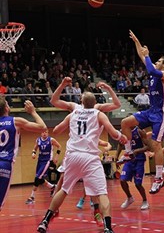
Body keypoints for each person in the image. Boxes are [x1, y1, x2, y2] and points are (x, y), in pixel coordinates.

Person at [37, 91, 127, 233]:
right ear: (95, 103)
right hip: (89, 157)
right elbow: (114, 134)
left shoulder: (73, 114)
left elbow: (57, 129)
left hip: (73, 155)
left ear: (81, 102)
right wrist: (122, 137)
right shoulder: (99, 114)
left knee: (64, 190)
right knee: (102, 192)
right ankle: (108, 227)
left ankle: (45, 220)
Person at [49, 77, 121, 225]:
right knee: (65, 180)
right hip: (80, 151)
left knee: (85, 187)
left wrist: (62, 84)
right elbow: (54, 101)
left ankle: (95, 211)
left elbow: (54, 101)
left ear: (83, 100)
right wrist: (108, 88)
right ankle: (57, 208)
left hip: (81, 152)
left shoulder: (89, 109)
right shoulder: (80, 108)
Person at [121, 30, 164, 194]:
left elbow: (149, 67)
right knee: (125, 123)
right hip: (151, 110)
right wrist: (136, 42)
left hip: (161, 113)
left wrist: (148, 55)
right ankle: (129, 152)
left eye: (159, 61)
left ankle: (158, 178)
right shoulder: (153, 71)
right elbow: (142, 57)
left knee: (157, 145)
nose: (155, 62)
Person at [0, 97, 47, 211]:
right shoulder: (15, 121)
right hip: (5, 164)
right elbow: (42, 128)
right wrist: (33, 112)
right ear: (7, 107)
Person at [115, 127, 150, 210]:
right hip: (128, 159)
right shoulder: (122, 132)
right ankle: (129, 197)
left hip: (139, 159)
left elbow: (148, 147)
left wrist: (137, 151)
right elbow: (120, 145)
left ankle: (145, 200)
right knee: (122, 180)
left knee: (138, 184)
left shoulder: (140, 131)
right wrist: (116, 157)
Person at [25, 129, 62, 204]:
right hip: (40, 161)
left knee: (37, 177)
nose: (44, 133)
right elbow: (34, 149)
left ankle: (32, 197)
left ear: (48, 133)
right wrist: (33, 153)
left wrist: (56, 156)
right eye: (43, 132)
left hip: (47, 161)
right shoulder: (38, 140)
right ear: (41, 133)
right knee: (40, 178)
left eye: (46, 132)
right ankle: (52, 187)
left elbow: (59, 146)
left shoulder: (51, 140)